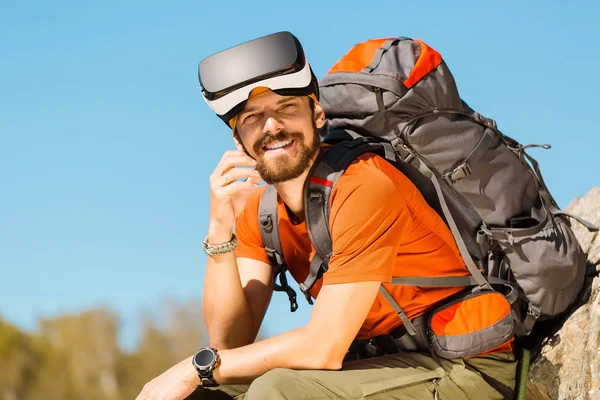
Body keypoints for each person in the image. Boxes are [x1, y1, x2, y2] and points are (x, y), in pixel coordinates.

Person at [136, 31, 517, 400]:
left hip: (466, 365)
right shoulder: (260, 212)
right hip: (383, 366)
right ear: (238, 140)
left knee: (276, 391)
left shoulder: (363, 186)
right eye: (252, 117)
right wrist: (220, 231)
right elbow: (229, 343)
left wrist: (195, 367)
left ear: (317, 114)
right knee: (203, 393)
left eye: (287, 107)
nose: (272, 126)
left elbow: (323, 347)